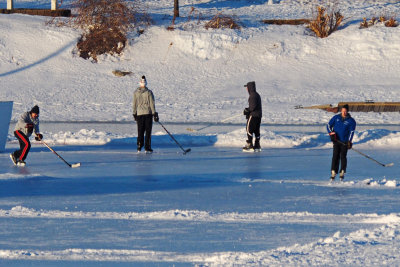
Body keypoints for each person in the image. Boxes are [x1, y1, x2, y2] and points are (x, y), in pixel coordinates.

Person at [327, 104, 356, 181]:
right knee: (335, 155)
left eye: (345, 111)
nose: (344, 113)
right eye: (343, 111)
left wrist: (349, 141)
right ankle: (333, 171)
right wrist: (331, 133)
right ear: (341, 111)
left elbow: (351, 132)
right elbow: (328, 125)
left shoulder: (351, 121)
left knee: (343, 156)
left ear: (347, 111)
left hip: (344, 142)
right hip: (336, 140)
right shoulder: (336, 118)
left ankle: (342, 171)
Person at [132, 75, 159, 153]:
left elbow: (134, 104)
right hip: (148, 114)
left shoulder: (136, 92)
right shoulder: (149, 92)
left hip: (139, 114)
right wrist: (154, 113)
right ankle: (147, 147)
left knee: (140, 130)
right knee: (148, 131)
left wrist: (134, 113)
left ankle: (140, 145)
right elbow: (152, 104)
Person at [243, 81, 262, 152]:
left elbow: (252, 107)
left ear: (249, 88)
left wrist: (247, 110)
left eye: (247, 87)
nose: (246, 89)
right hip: (258, 116)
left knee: (249, 129)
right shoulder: (256, 94)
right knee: (256, 130)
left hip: (253, 115)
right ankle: (257, 144)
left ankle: (249, 144)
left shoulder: (253, 95)